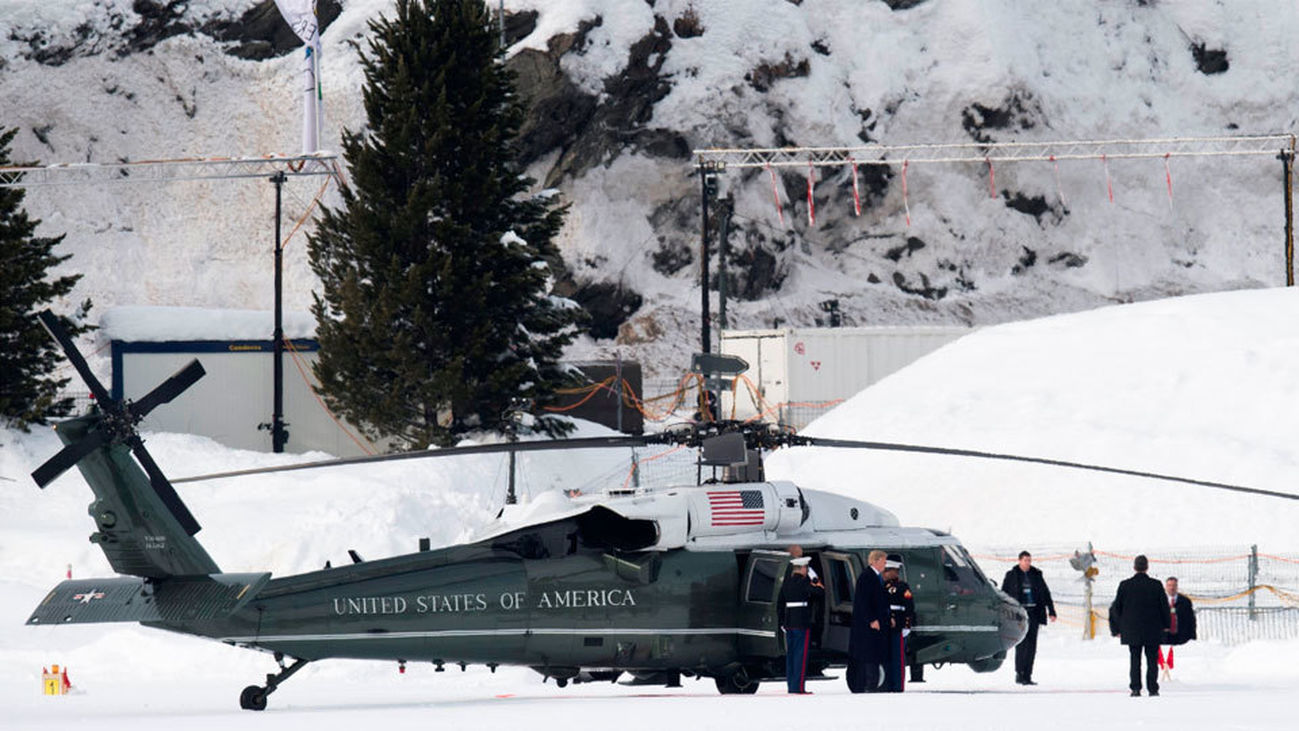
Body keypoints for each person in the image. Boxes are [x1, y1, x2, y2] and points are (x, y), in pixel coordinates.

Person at [1110, 554, 1171, 697]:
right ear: (1147, 567)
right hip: (1152, 629)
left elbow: (1116, 608)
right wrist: (1166, 625)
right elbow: (1164, 607)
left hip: (1132, 630)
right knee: (1152, 659)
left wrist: (1116, 628)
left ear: (1134, 567)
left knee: (1135, 659)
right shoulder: (1156, 585)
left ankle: (1135, 688)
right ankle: (1153, 688)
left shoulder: (1125, 585)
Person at [1001, 550, 1057, 685]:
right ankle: (1019, 673)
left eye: (1029, 561)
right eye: (1025, 560)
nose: (1028, 563)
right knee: (1021, 644)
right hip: (1019, 614)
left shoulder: (1036, 575)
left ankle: (1028, 674)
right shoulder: (1012, 575)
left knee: (1031, 645)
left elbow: (1045, 592)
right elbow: (1004, 595)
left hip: (1034, 613)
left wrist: (1051, 610)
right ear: (1019, 560)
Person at [847, 549, 891, 693]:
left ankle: (873, 683)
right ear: (876, 561)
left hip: (877, 623)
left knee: (875, 653)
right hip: (868, 626)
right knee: (869, 654)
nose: (885, 564)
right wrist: (872, 619)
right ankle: (869, 684)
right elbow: (863, 601)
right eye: (884, 561)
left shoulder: (876, 577)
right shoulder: (867, 577)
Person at [778, 556, 823, 694]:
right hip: (801, 622)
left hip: (789, 622)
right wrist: (816, 581)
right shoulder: (804, 582)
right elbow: (820, 592)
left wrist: (782, 621)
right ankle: (798, 687)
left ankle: (792, 685)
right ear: (803, 569)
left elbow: (780, 603)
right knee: (800, 656)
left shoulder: (786, 583)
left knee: (791, 655)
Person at [882, 556, 916, 692]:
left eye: (890, 571)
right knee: (886, 656)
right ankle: (887, 684)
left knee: (897, 657)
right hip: (885, 624)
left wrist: (907, 625)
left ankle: (897, 685)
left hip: (898, 625)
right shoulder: (881, 585)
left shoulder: (902, 587)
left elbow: (909, 607)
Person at [1159, 576, 1196, 676]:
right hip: (1164, 636)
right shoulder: (1159, 600)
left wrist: (1192, 636)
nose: (1172, 588)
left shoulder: (1185, 601)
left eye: (1174, 585)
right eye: (1169, 585)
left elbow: (1191, 620)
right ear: (1165, 587)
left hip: (1180, 635)